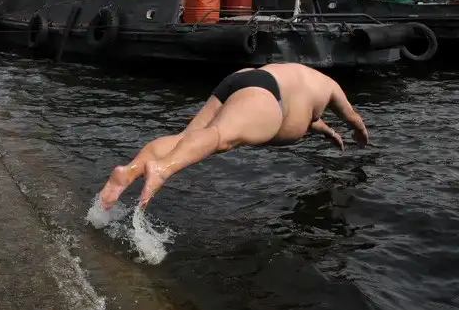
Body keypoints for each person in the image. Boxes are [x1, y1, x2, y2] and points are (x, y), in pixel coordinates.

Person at [98, 63, 370, 209]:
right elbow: (353, 117)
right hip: (267, 96)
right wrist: (361, 134)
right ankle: (162, 169)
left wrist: (328, 131)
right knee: (220, 137)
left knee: (186, 137)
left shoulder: (306, 80)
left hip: (246, 77)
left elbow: (308, 117)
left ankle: (129, 172)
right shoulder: (332, 87)